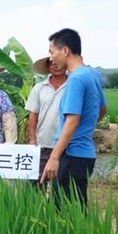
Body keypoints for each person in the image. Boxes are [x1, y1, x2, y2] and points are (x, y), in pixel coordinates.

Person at [40, 29, 107, 208]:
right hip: (85, 155)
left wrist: (54, 157)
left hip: (71, 155)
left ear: (65, 51)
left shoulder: (76, 79)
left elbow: (72, 120)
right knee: (77, 211)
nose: (51, 58)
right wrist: (85, 130)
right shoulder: (93, 74)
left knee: (60, 212)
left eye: (52, 52)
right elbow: (102, 109)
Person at [25, 56, 68, 187]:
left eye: (58, 63)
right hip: (43, 144)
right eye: (51, 64)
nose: (55, 66)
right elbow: (33, 115)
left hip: (66, 146)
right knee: (36, 185)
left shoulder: (73, 86)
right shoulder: (39, 88)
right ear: (48, 67)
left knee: (61, 187)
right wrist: (32, 140)